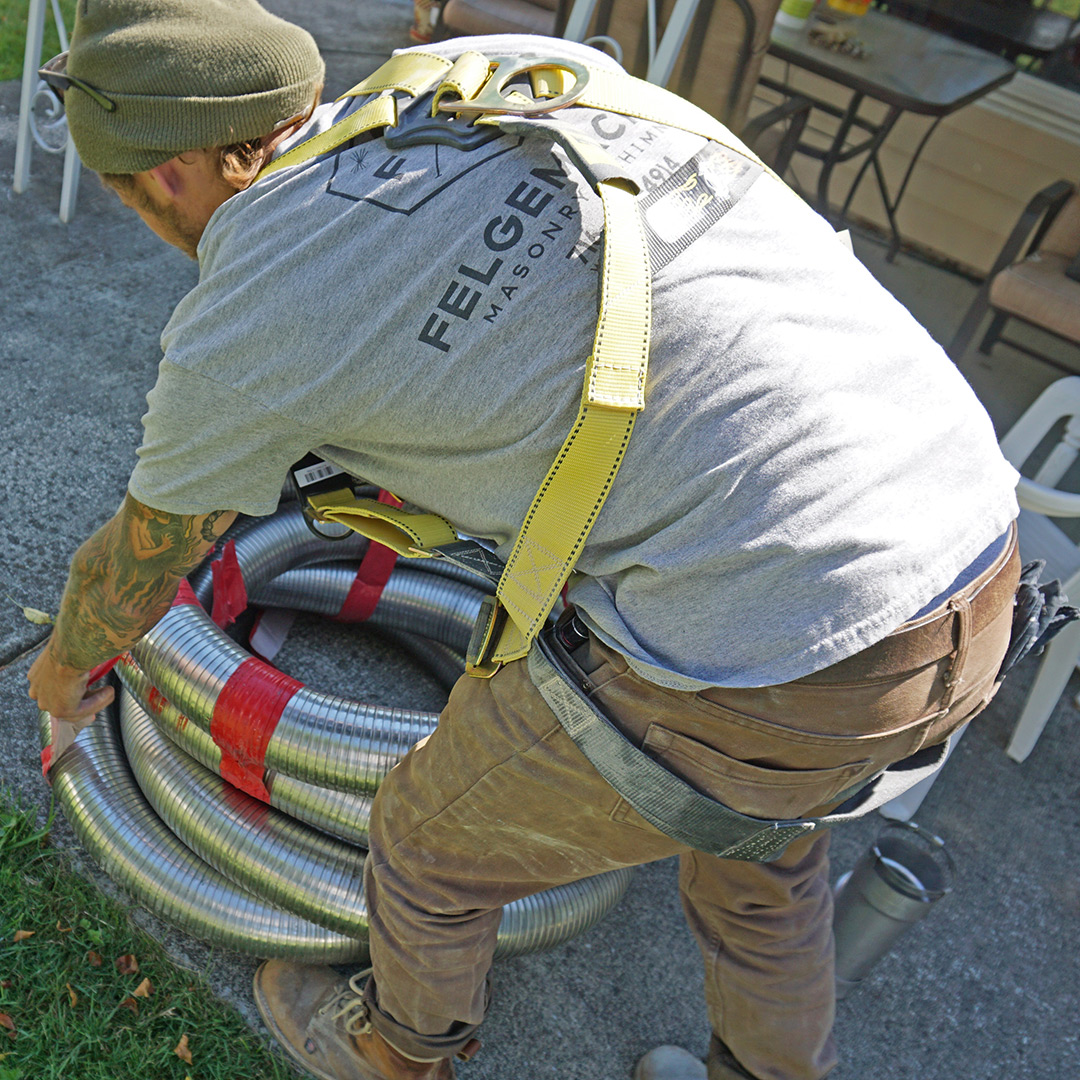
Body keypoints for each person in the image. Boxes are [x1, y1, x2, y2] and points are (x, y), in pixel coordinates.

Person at [28, 2, 1022, 1079]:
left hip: (779, 636)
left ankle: (395, 1053)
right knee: (762, 847)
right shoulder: (503, 72)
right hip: (966, 533)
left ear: (166, 176)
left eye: (133, 198)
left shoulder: (253, 311)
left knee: (423, 836)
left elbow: (142, 554)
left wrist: (63, 667)